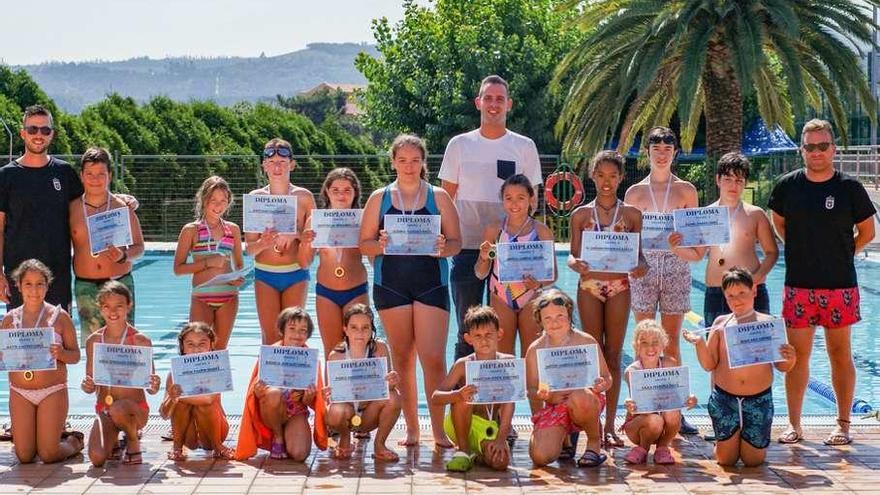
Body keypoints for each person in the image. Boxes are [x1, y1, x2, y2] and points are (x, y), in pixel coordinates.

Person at [768, 119, 876, 446]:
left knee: (840, 353)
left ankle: (843, 424)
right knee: (797, 356)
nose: (817, 152)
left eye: (823, 146)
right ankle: (795, 424)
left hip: (840, 285)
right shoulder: (787, 186)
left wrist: (843, 254)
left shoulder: (850, 188)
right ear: (802, 150)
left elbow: (868, 232)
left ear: (833, 148)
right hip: (799, 284)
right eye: (810, 146)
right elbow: (780, 225)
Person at [360, 134, 461, 447]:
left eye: (415, 160)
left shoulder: (439, 197)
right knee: (402, 358)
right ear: (393, 162)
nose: (408, 166)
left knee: (433, 358)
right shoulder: (379, 198)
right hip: (391, 285)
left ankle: (440, 431)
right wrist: (382, 245)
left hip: (431, 284)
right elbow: (364, 245)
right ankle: (413, 429)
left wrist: (443, 249)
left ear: (423, 163)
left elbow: (457, 243)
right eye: (402, 160)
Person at [439, 75, 543, 361]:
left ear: (509, 104)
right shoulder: (459, 145)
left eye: (500, 98)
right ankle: (464, 402)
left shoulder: (524, 146)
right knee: (468, 330)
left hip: (511, 254)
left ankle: (501, 403)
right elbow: (445, 199)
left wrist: (520, 242)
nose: (494, 104)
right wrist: (449, 240)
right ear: (478, 102)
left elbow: (531, 200)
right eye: (488, 98)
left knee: (503, 334)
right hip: (467, 250)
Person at [568, 150, 648, 446]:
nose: (606, 181)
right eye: (601, 175)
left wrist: (642, 267)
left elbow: (640, 257)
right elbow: (573, 256)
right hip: (589, 286)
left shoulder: (631, 215)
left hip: (619, 288)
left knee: (612, 355)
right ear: (592, 176)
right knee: (591, 357)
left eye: (612, 176)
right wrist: (574, 264)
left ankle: (610, 425)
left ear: (621, 178)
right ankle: (591, 424)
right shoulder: (580, 215)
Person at [624, 126, 699, 434]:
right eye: (657, 147)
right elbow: (628, 237)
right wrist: (633, 262)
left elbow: (695, 236)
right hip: (644, 266)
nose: (662, 152)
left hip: (676, 265)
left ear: (674, 153)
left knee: (670, 343)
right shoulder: (634, 193)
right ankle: (642, 406)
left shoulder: (687, 191)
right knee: (644, 342)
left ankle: (676, 412)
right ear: (648, 152)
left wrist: (684, 245)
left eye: (668, 147)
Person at [683, 268, 796, 466]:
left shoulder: (769, 324)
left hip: (759, 400)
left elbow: (782, 367)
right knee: (726, 461)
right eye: (730, 296)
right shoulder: (720, 324)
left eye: (742, 293)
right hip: (725, 399)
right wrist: (699, 344)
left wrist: (790, 358)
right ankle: (725, 442)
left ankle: (741, 441)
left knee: (753, 461)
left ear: (754, 291)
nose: (736, 300)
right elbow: (709, 364)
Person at [0, 105, 84, 309]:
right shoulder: (5, 176)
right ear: (23, 133)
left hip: (57, 276)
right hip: (18, 278)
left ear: (52, 134)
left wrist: (120, 199)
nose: (39, 135)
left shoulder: (65, 173)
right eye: (32, 129)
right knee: (21, 339)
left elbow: (87, 209)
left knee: (58, 338)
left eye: (45, 130)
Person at [1, 259, 83, 462]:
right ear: (18, 286)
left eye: (40, 283)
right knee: (25, 456)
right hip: (20, 392)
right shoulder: (10, 320)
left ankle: (73, 442)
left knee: (48, 455)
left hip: (51, 391)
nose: (34, 290)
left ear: (47, 286)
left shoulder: (60, 317)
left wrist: (61, 353)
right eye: (28, 283)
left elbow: (75, 356)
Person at [474, 174, 554, 372]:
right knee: (503, 362)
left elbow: (552, 276)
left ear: (531, 200)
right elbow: (480, 274)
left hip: (531, 299)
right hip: (501, 299)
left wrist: (539, 285)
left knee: (532, 362)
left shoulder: (541, 231)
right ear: (502, 201)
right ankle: (506, 404)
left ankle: (535, 402)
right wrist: (484, 257)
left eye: (520, 197)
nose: (514, 203)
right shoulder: (494, 230)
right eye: (508, 198)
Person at [525, 289, 612, 468]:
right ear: (539, 320)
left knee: (580, 397)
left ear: (570, 314)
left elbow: (607, 377)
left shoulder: (586, 341)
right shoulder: (535, 349)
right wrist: (546, 396)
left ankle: (594, 443)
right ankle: (565, 438)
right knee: (540, 456)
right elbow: (531, 389)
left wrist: (602, 384)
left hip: (586, 401)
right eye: (547, 318)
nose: (554, 322)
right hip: (556, 404)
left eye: (560, 316)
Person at [70, 147, 145, 345]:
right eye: (90, 174)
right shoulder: (72, 209)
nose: (95, 179)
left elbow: (139, 247)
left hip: (119, 282)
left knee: (125, 345)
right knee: (93, 346)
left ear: (110, 175)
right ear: (82, 176)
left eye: (101, 174)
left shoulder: (123, 207)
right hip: (85, 286)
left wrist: (123, 255)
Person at [245, 138, 316, 345]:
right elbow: (249, 249)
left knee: (294, 338)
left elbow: (314, 243)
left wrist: (294, 234)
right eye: (272, 162)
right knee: (270, 339)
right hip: (265, 274)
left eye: (282, 162)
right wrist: (264, 243)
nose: (277, 167)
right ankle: (264, 379)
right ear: (264, 165)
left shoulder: (304, 197)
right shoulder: (255, 198)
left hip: (296, 273)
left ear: (291, 164)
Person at [80, 281, 160, 466]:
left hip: (134, 409)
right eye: (107, 307)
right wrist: (87, 385)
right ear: (100, 308)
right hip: (105, 410)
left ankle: (133, 440)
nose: (112, 312)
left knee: (119, 407)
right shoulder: (94, 341)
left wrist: (155, 385)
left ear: (129, 306)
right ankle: (114, 439)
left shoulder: (141, 340)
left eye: (119, 306)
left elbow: (151, 390)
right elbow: (90, 386)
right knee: (97, 458)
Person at [235, 307, 327, 461]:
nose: (297, 335)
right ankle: (278, 436)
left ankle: (290, 433)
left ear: (308, 334)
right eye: (292, 329)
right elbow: (255, 397)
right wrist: (258, 391)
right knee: (273, 393)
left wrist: (308, 397)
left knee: (299, 455)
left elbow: (312, 403)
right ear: (282, 330)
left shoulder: (311, 360)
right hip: (271, 410)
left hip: (295, 412)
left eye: (303, 330)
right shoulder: (270, 354)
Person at [432, 305, 514, 472]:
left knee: (501, 463)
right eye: (478, 336)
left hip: (489, 427)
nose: (484, 341)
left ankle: (478, 454)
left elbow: (510, 403)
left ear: (500, 334)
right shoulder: (463, 364)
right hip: (460, 425)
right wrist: (457, 394)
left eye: (489, 335)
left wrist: (501, 438)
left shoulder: (509, 363)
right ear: (468, 339)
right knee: (463, 398)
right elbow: (435, 397)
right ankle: (463, 450)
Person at [300, 168, 369, 358]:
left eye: (347, 190)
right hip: (326, 293)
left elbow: (373, 258)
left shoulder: (363, 220)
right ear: (327, 192)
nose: (341, 195)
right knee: (332, 350)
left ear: (355, 193)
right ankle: (329, 389)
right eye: (336, 190)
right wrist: (306, 242)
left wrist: (376, 243)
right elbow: (304, 263)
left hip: (356, 290)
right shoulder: (315, 220)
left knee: (359, 350)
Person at [173, 176, 244, 350]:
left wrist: (237, 278)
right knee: (196, 351)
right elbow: (178, 269)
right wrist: (208, 263)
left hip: (229, 297)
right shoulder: (191, 230)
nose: (218, 206)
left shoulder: (233, 229)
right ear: (204, 200)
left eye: (223, 201)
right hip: (202, 297)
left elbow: (239, 265)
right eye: (214, 200)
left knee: (219, 350)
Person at [324, 304, 402, 462]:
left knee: (394, 397)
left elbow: (388, 388)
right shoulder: (336, 356)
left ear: (372, 329)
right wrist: (327, 393)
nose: (360, 332)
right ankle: (344, 439)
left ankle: (379, 445)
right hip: (345, 415)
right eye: (354, 327)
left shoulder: (380, 349)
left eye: (365, 327)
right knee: (335, 409)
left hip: (368, 415)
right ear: (345, 329)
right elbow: (331, 398)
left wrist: (392, 381)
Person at [621, 319, 697, 465]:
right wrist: (629, 404)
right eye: (644, 342)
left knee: (673, 411)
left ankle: (663, 447)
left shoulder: (670, 364)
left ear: (663, 344)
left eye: (655, 342)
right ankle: (642, 448)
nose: (650, 347)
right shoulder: (632, 371)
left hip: (664, 424)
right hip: (639, 424)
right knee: (655, 420)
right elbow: (638, 404)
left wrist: (690, 399)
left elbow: (680, 395)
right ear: (636, 346)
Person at [160, 322, 234, 461]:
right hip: (189, 436)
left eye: (202, 344)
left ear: (211, 345)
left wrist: (179, 397)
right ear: (183, 347)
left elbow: (208, 400)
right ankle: (177, 447)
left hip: (216, 431)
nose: (196, 350)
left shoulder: (217, 368)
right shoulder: (175, 372)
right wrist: (172, 398)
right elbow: (164, 413)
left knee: (201, 403)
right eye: (190, 344)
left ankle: (218, 446)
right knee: (179, 403)